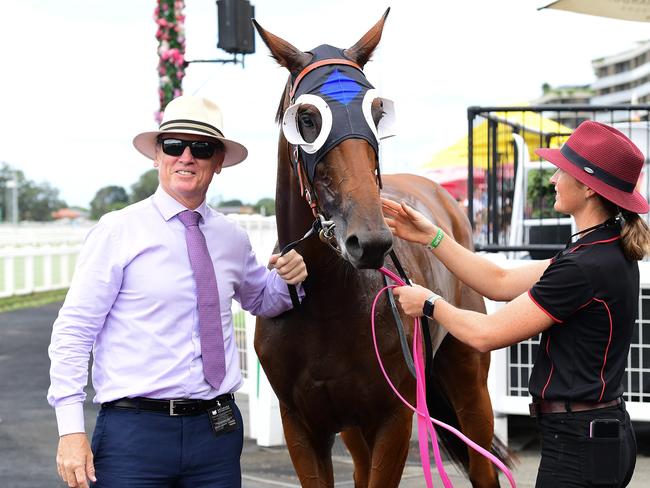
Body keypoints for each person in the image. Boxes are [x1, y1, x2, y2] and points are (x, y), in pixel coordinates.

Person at [48, 95, 308, 488]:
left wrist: (292, 278)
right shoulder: (118, 231)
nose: (186, 156)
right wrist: (70, 430)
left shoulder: (231, 237)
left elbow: (263, 299)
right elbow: (74, 331)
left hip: (216, 434)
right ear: (157, 155)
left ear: (218, 162)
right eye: (174, 145)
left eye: (201, 148)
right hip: (134, 435)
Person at [382, 120, 650, 487]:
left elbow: (486, 334)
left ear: (587, 187)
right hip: (596, 435)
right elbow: (499, 282)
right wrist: (432, 236)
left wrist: (429, 304)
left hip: (577, 446)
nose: (553, 178)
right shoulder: (602, 248)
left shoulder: (584, 266)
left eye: (562, 170)